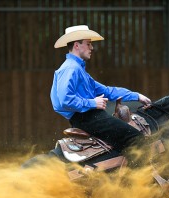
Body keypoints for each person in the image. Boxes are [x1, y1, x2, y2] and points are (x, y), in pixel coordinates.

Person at [50, 25, 151, 158]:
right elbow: (64, 100)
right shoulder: (70, 69)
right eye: (88, 44)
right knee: (136, 139)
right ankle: (136, 179)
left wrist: (136, 96)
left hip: (89, 117)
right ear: (76, 45)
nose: (92, 48)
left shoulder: (78, 70)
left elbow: (107, 91)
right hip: (88, 119)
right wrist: (93, 103)